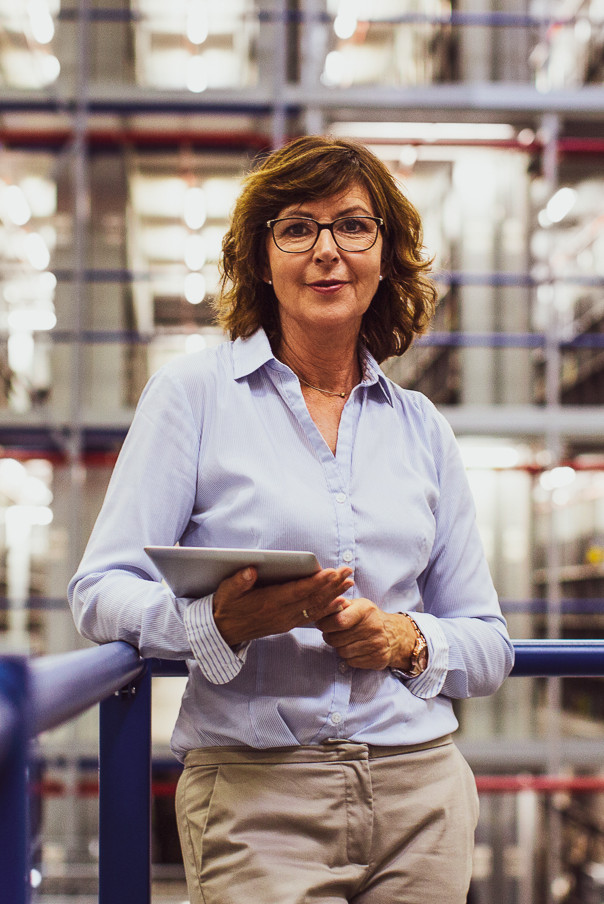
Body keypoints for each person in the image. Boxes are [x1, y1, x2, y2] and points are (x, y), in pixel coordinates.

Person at [68, 135, 514, 904]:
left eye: (352, 226)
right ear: (262, 257)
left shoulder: (422, 429)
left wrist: (403, 639)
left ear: (386, 254)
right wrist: (217, 622)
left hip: (422, 795)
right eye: (297, 228)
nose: (327, 252)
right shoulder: (192, 399)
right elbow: (98, 590)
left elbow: (488, 642)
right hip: (257, 796)